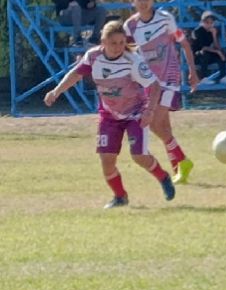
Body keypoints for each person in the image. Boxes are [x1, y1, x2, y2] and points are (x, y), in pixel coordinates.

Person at [43, 21, 175, 208]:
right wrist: (56, 91)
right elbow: (75, 74)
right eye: (113, 43)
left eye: (122, 43)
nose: (118, 47)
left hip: (136, 114)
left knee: (138, 156)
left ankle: (163, 177)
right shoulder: (93, 56)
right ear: (103, 42)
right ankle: (120, 196)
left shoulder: (132, 60)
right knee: (107, 161)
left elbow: (154, 86)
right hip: (109, 115)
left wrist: (150, 111)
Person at [124, 0, 199, 185]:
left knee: (156, 122)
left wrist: (192, 71)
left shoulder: (166, 19)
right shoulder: (130, 26)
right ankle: (179, 167)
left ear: (153, 0)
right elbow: (129, 54)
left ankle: (182, 161)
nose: (143, 2)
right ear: (133, 2)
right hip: (148, 81)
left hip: (169, 78)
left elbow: (183, 43)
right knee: (163, 125)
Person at [192, 11, 226, 85]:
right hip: (197, 55)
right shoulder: (198, 31)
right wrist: (217, 52)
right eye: (207, 22)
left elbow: (217, 47)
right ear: (202, 22)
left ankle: (223, 76)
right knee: (206, 53)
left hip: (208, 54)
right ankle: (202, 78)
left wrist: (214, 35)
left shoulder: (213, 31)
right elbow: (203, 48)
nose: (210, 25)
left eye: (211, 22)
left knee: (221, 53)